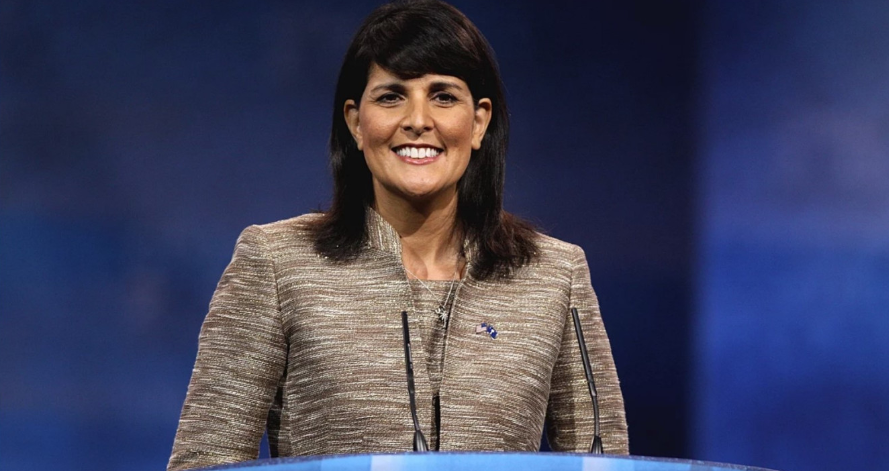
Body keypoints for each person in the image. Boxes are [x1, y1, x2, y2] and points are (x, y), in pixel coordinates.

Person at [168, 1, 628, 469]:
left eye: (443, 96)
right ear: (355, 123)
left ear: (479, 122)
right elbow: (205, 461)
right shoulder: (277, 262)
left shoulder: (554, 275)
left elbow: (605, 463)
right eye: (391, 97)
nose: (418, 120)